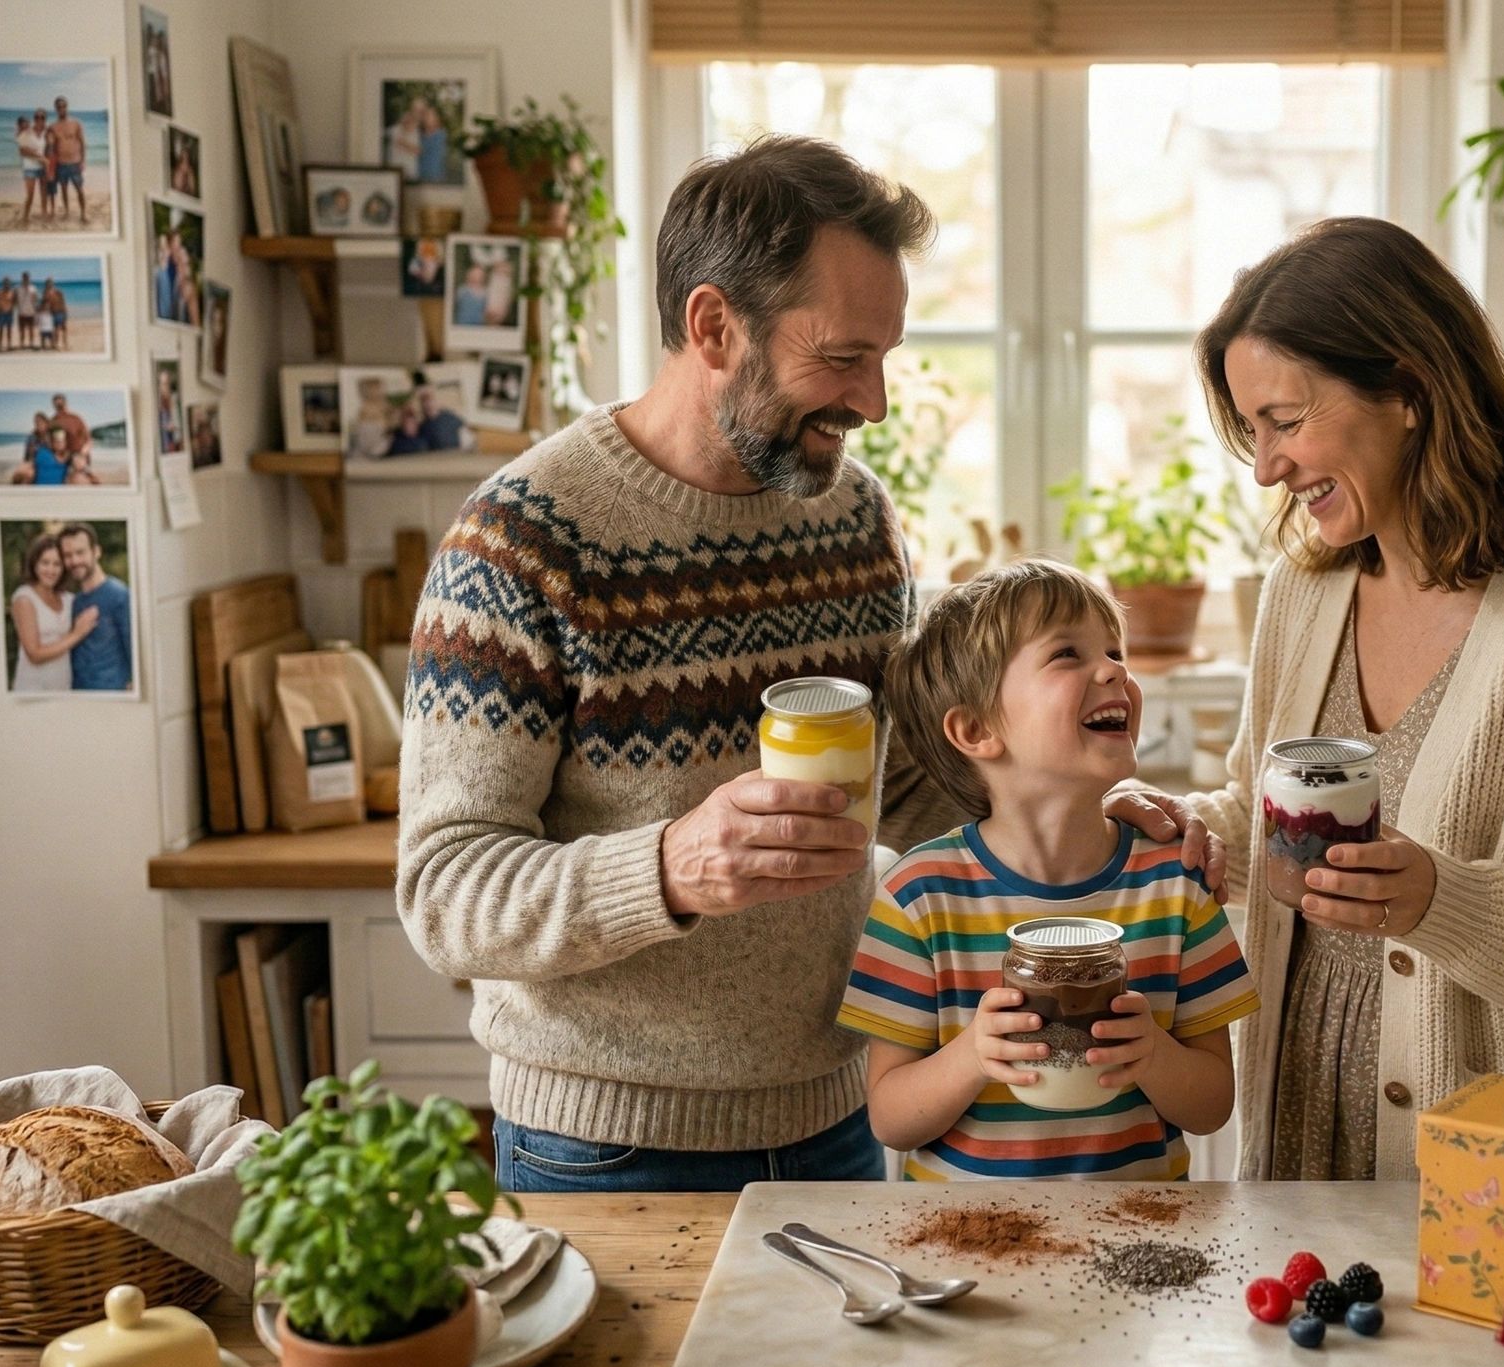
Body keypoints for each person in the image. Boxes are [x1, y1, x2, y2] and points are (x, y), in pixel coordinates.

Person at [397, 135, 1218, 1195]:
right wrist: (671, 866)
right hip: (602, 1146)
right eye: (841, 358)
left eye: (885, 357)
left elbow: (911, 786)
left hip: (840, 1122)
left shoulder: (856, 517)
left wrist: (1086, 807)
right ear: (713, 326)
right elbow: (445, 890)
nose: (872, 402)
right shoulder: (519, 546)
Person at [1178, 217, 1504, 1182]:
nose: (1265, 466)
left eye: (1284, 419)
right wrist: (1199, 832)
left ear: (1404, 387)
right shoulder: (1303, 589)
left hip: (1495, 1161)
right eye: (1253, 430)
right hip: (1299, 1129)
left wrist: (1440, 902)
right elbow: (1267, 816)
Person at [847, 560, 1254, 1181]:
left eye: (1115, 650)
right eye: (1067, 653)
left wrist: (1155, 1058)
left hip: (1140, 1245)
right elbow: (890, 1118)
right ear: (977, 729)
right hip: (965, 1251)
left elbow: (1212, 1105)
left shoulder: (1177, 887)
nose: (1115, 669)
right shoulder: (918, 897)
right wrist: (972, 1058)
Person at [8, 531, 97, 693]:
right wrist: (76, 635)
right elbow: (34, 655)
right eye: (45, 563)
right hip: (32, 690)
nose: (51, 570)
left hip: (64, 688)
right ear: (34, 563)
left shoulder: (68, 599)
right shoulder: (25, 598)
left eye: (57, 564)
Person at [59, 524, 131, 693]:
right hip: (78, 697)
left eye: (80, 552)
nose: (75, 561)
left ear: (96, 552)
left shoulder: (120, 595)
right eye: (68, 555)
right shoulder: (75, 602)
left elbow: (135, 651)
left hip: (112, 695)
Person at [48, 95, 89, 224]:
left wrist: (83, 161)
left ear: (67, 107)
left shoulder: (76, 123)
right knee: (64, 189)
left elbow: (83, 143)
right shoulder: (53, 127)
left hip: (75, 163)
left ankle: (83, 213)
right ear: (56, 108)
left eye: (63, 106)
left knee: (79, 189)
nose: (61, 108)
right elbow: (50, 144)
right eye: (59, 106)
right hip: (61, 164)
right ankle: (66, 211)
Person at [15, 115, 47, 225]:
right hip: (30, 168)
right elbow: (22, 152)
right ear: (20, 125)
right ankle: (25, 217)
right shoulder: (22, 135)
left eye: (28, 123)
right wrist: (40, 157)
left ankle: (44, 215)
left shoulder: (34, 132)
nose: (27, 125)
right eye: (24, 123)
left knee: (43, 194)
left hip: (42, 168)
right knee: (30, 195)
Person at [452, 261, 487, 328]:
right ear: (469, 274)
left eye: (479, 274)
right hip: (462, 325)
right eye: (474, 274)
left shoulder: (485, 292)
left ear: (483, 277)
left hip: (479, 326)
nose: (476, 277)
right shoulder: (462, 290)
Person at [13, 272, 40, 350]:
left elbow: (36, 299)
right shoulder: (17, 288)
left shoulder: (33, 288)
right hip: (21, 312)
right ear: (22, 278)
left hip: (31, 312)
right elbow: (14, 299)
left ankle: (31, 344)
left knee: (31, 329)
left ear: (29, 278)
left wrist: (37, 309)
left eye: (27, 277)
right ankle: (22, 344)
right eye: (24, 277)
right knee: (22, 330)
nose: (26, 278)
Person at [35, 278, 61, 351]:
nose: (49, 284)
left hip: (54, 311)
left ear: (52, 283)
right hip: (48, 312)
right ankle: (47, 345)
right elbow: (42, 301)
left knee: (55, 329)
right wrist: (39, 309)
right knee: (48, 330)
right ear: (46, 284)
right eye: (48, 283)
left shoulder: (56, 291)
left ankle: (55, 344)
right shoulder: (44, 292)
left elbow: (58, 301)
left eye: (50, 283)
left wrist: (61, 310)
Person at [0, 277, 17, 352]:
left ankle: (9, 345)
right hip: (1, 313)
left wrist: (11, 308)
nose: (7, 284)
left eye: (8, 283)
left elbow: (14, 302)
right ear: (3, 283)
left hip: (9, 313)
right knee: (1, 330)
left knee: (9, 330)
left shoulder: (12, 292)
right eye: (5, 283)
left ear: (10, 284)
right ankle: (0, 346)